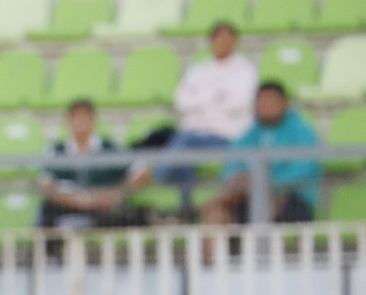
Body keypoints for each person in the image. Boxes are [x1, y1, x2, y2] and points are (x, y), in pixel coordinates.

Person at [156, 21, 257, 211]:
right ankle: (186, 209)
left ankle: (157, 175)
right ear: (211, 42)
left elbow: (238, 104)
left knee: (183, 143)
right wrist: (215, 98)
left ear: (236, 41)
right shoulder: (198, 70)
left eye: (228, 38)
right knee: (184, 157)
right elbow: (181, 101)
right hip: (196, 136)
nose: (223, 43)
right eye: (219, 38)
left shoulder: (245, 71)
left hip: (228, 138)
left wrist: (200, 102)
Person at [201, 82, 321, 228]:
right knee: (218, 214)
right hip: (248, 200)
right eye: (261, 101)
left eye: (271, 101)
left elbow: (303, 171)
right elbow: (229, 170)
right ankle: (217, 248)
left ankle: (194, 212)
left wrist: (263, 181)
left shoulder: (303, 133)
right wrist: (243, 180)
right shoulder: (248, 136)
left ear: (285, 103)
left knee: (263, 197)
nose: (265, 106)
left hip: (292, 202)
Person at [37, 98, 150, 230]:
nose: (81, 123)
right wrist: (76, 200)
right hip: (66, 207)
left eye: (85, 117)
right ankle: (51, 250)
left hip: (103, 211)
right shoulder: (56, 150)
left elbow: (141, 171)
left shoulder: (109, 148)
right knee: (47, 214)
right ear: (69, 120)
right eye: (77, 117)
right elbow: (45, 183)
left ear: (93, 119)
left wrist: (116, 193)